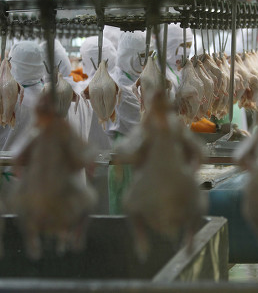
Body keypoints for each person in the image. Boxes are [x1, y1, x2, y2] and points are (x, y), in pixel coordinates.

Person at [106, 31, 151, 214]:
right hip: (127, 151)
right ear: (128, 56)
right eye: (141, 57)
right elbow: (144, 125)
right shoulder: (122, 87)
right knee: (127, 209)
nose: (144, 62)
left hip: (138, 149)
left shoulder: (131, 79)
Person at [78, 36, 117, 151]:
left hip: (92, 159)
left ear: (87, 60)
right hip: (120, 158)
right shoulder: (124, 86)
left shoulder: (80, 90)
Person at [160, 24, 193, 95]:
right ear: (169, 45)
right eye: (183, 45)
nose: (187, 50)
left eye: (189, 46)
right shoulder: (158, 70)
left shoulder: (185, 69)